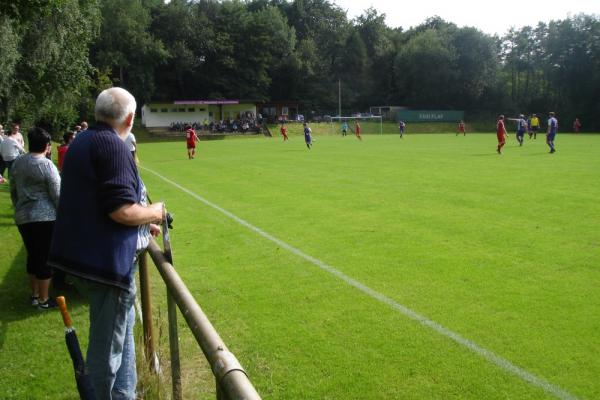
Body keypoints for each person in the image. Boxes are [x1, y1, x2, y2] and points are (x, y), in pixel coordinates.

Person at [48, 87, 164, 400]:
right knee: (106, 353)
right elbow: (122, 210)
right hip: (104, 268)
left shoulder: (83, 140)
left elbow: (97, 203)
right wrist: (157, 211)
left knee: (121, 337)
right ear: (129, 118)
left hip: (82, 260)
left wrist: (142, 223)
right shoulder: (112, 146)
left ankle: (125, 395)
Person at [10, 127, 61, 309]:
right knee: (44, 257)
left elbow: (13, 191)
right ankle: (44, 300)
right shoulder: (46, 165)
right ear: (47, 146)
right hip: (45, 218)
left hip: (23, 217)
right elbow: (57, 195)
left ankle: (34, 294)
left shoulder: (17, 163)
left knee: (32, 255)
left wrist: (19, 208)